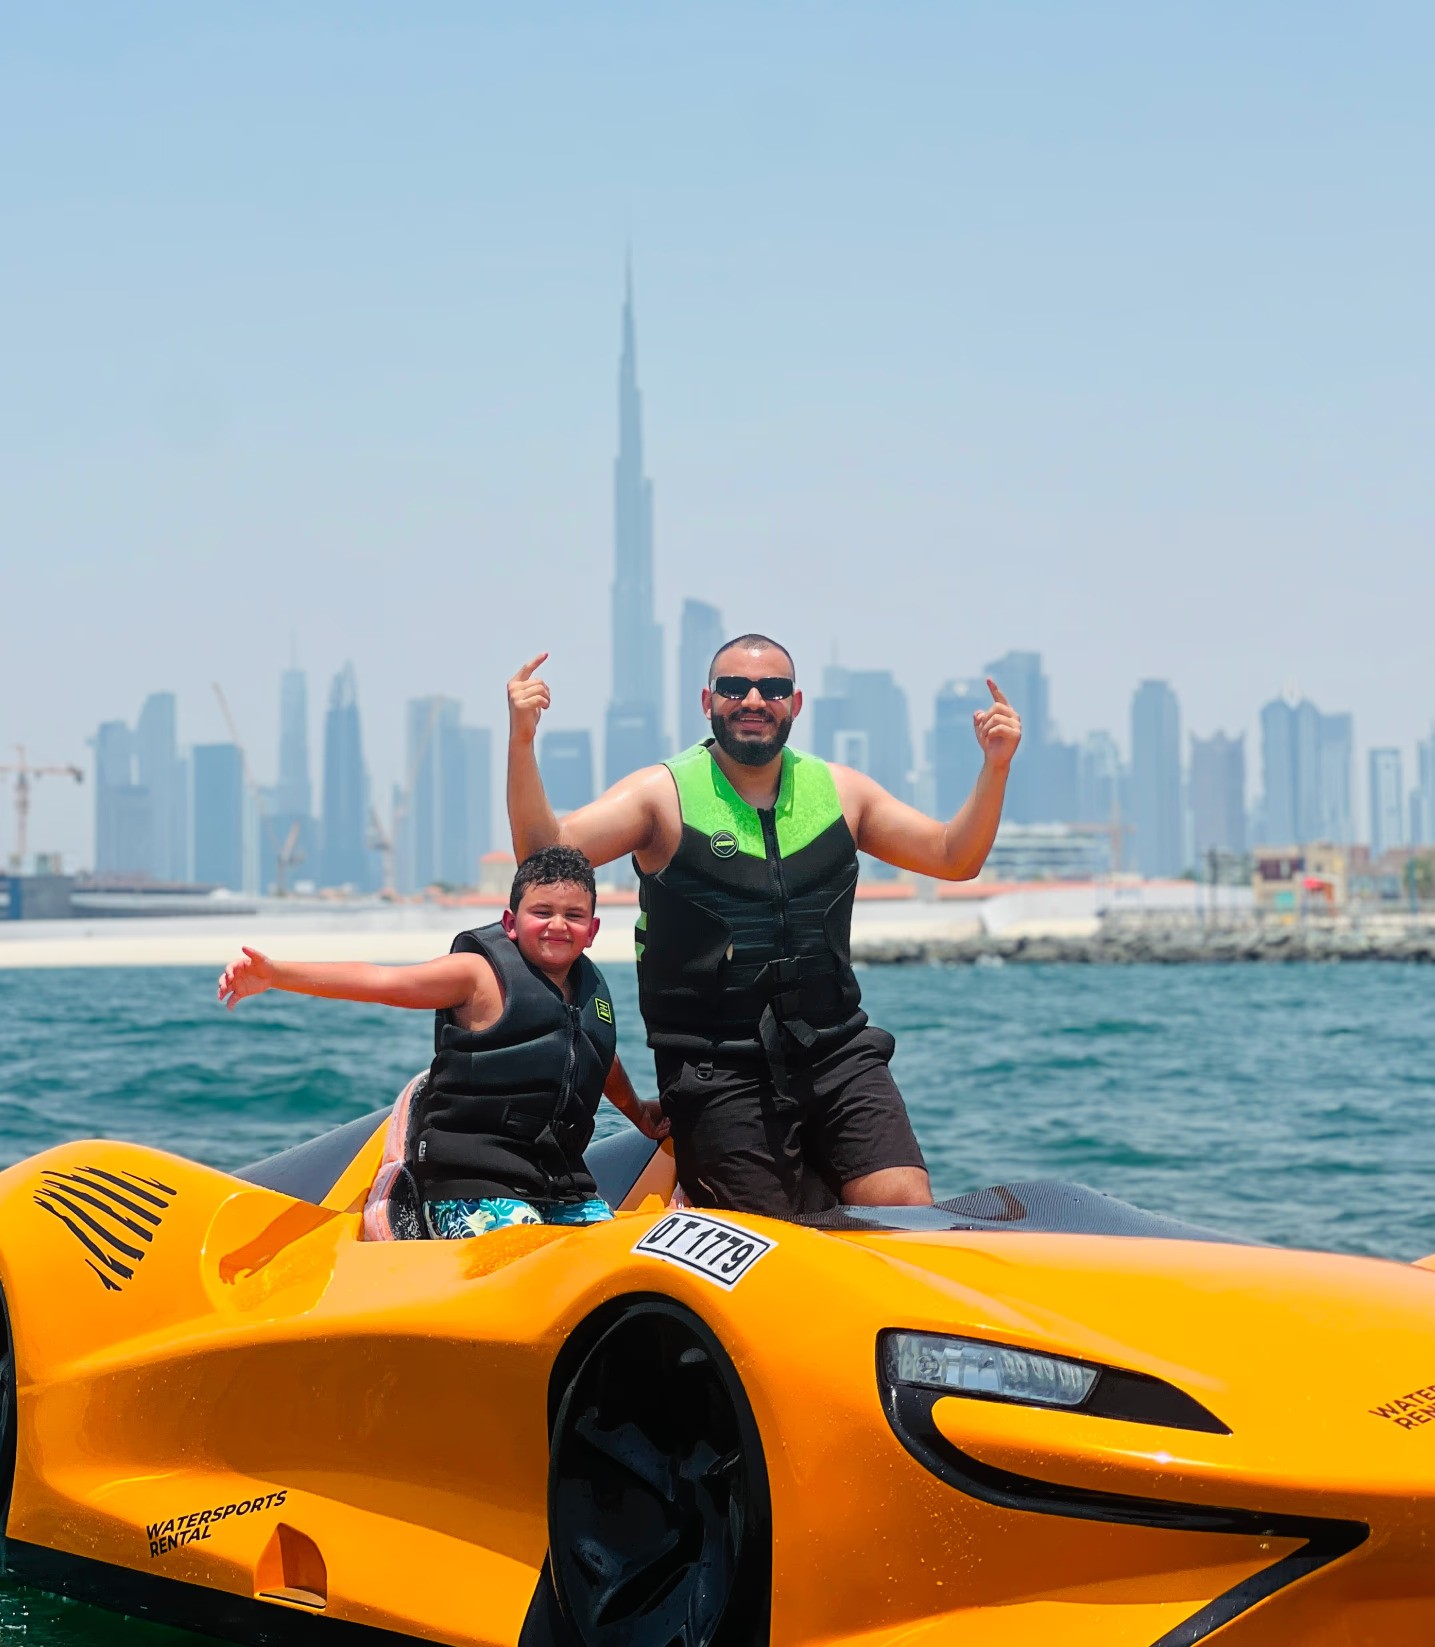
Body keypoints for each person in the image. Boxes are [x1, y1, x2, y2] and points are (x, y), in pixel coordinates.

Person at [506, 635, 1021, 1218]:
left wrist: (995, 767)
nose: (753, 700)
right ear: (707, 701)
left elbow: (954, 857)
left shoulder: (842, 792)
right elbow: (541, 858)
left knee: (904, 1209)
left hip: (837, 1051)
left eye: (772, 689)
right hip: (715, 1066)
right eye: (734, 688)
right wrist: (522, 740)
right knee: (771, 1239)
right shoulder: (662, 795)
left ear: (795, 704)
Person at [216, 844, 666, 1239]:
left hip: (563, 1187)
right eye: (541, 912)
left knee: (614, 1256)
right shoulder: (477, 975)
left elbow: (596, 1057)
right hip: (474, 1183)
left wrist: (639, 1112)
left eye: (573, 916)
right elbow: (382, 981)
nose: (557, 926)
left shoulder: (589, 991)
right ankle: (404, 1203)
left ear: (593, 929)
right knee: (527, 1260)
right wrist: (276, 975)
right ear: (511, 921)